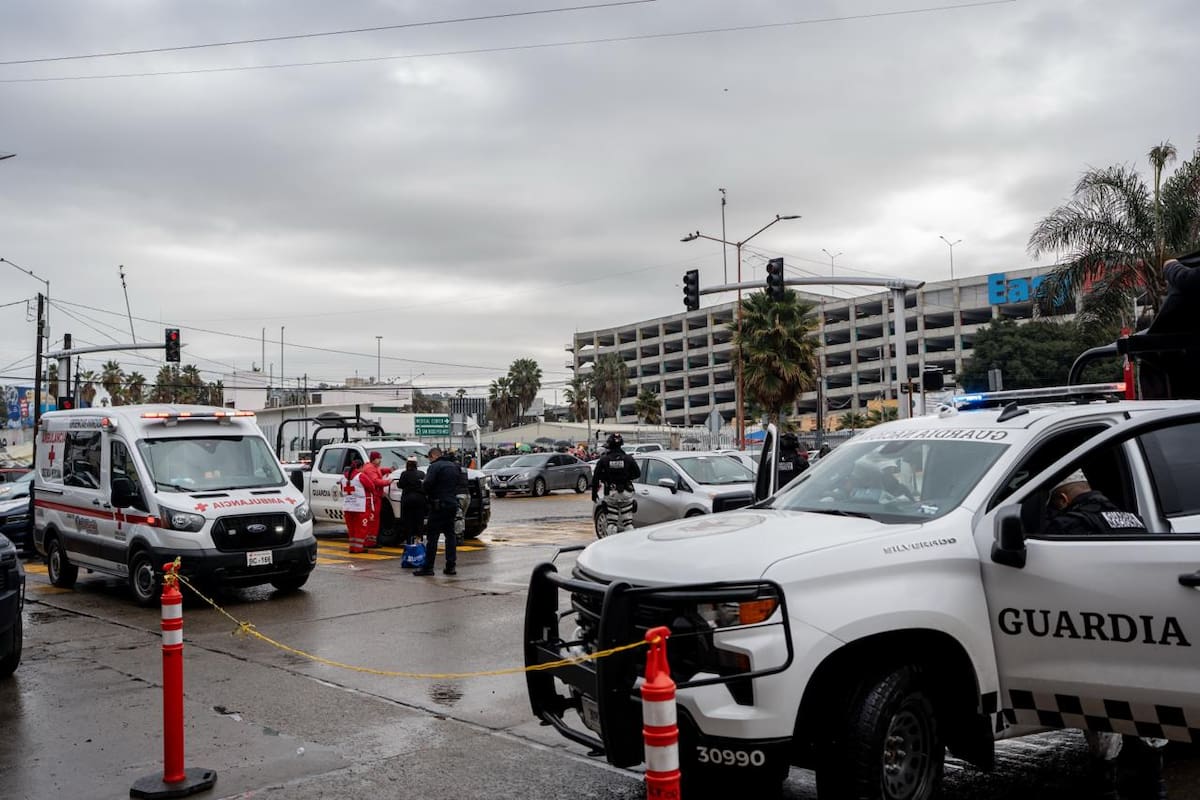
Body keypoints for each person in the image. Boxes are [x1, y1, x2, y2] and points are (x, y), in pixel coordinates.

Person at [1043, 470, 1166, 799]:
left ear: (1063, 499)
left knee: (1103, 715)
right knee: (1148, 709)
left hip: (1098, 634)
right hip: (1143, 631)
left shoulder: (1068, 525)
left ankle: (1107, 788)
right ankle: (1155, 785)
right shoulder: (1130, 517)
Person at [417, 447, 459, 576]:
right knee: (450, 536)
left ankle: (428, 567)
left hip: (438, 505)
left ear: (433, 456)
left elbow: (427, 485)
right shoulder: (454, 466)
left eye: (430, 458)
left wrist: (424, 489)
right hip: (452, 504)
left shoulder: (435, 467)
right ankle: (450, 566)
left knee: (433, 537)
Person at [591, 433, 640, 537]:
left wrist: (594, 493)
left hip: (611, 494)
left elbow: (596, 478)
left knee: (612, 523)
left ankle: (611, 545)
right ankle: (631, 543)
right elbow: (637, 473)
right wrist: (626, 478)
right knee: (628, 523)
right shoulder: (628, 459)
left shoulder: (604, 460)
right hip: (626, 493)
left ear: (609, 445)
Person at [359, 451, 393, 548]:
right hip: (373, 498)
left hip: (375, 497)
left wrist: (388, 470)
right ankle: (370, 542)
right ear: (374, 459)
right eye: (379, 458)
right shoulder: (370, 468)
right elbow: (375, 481)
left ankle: (371, 541)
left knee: (374, 520)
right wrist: (388, 482)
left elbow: (379, 471)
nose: (380, 460)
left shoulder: (372, 467)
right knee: (373, 520)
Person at [395, 457, 426, 552]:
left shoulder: (404, 474)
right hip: (420, 500)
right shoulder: (421, 474)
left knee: (408, 522)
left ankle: (409, 542)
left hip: (407, 500)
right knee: (419, 521)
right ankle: (419, 541)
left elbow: (401, 485)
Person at [340, 458, 369, 554]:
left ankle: (352, 547)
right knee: (360, 528)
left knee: (351, 528)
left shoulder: (343, 478)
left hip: (347, 506)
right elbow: (371, 486)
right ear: (360, 467)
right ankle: (358, 548)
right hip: (359, 506)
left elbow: (342, 490)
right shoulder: (360, 476)